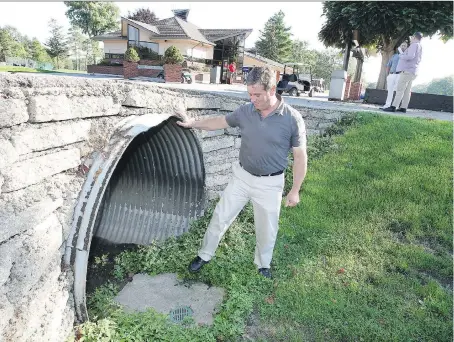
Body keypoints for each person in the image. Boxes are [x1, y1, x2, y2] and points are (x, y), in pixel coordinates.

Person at [177, 66, 308, 279]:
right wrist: (193, 123)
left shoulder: (292, 119)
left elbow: (300, 157)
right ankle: (204, 254)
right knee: (220, 216)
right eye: (249, 94)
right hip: (242, 177)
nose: (252, 99)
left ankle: (262, 264)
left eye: (257, 94)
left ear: (272, 89)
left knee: (267, 228)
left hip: (270, 183)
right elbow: (219, 122)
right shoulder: (246, 111)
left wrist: (295, 190)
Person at [383, 32, 423, 113]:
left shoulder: (414, 45)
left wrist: (401, 56)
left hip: (407, 71)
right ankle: (403, 107)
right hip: (413, 71)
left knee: (400, 89)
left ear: (414, 37)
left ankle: (393, 107)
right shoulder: (420, 46)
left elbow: (410, 56)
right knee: (407, 91)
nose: (411, 39)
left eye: (412, 37)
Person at [381, 41, 408, 109]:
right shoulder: (394, 56)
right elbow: (388, 65)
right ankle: (387, 105)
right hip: (392, 75)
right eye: (402, 45)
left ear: (407, 48)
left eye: (405, 46)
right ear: (400, 46)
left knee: (398, 91)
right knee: (390, 91)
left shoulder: (406, 56)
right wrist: (388, 75)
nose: (403, 47)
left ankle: (395, 106)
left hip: (400, 75)